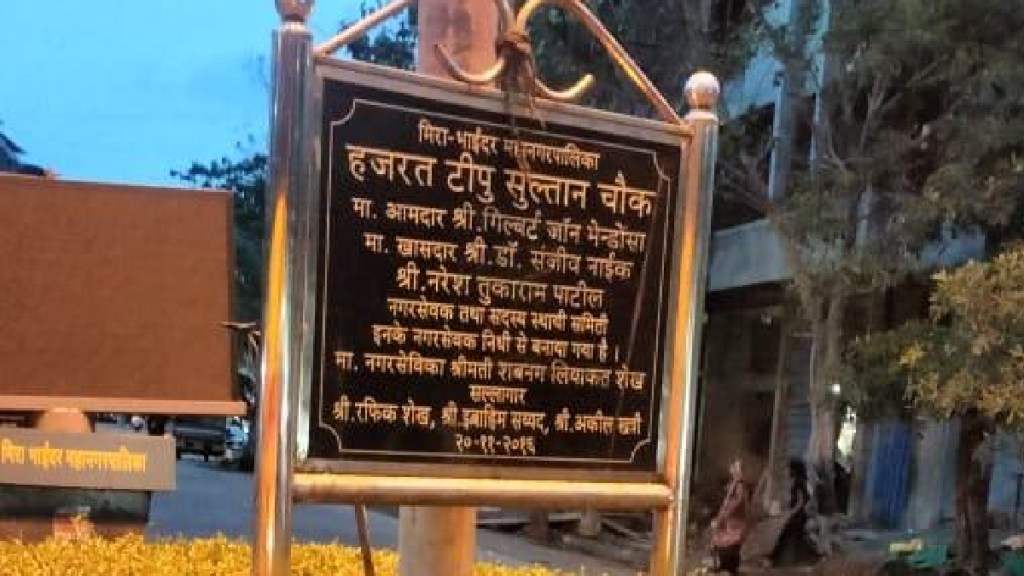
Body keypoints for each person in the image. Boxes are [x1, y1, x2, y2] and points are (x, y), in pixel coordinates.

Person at [770, 459, 813, 566]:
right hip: (798, 516)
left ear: (794, 471)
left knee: (785, 537)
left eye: (788, 469)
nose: (786, 471)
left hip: (796, 517)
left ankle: (780, 560)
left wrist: (790, 514)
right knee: (793, 539)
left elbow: (801, 501)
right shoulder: (800, 483)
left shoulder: (798, 484)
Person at [711, 459, 749, 574]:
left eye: (739, 468)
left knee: (731, 546)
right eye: (735, 467)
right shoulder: (733, 484)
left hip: (734, 523)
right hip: (729, 522)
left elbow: (738, 501)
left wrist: (724, 515)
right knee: (721, 544)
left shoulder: (740, 486)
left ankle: (730, 568)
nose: (736, 470)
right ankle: (724, 566)